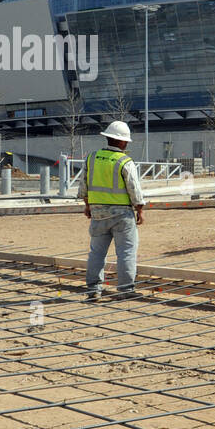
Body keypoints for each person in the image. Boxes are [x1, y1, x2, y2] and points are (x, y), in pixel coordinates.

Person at [80, 121, 145, 301]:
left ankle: (93, 290)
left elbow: (83, 186)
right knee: (126, 252)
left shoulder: (91, 158)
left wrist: (88, 205)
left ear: (108, 138)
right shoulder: (125, 161)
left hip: (98, 213)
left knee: (96, 253)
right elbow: (135, 189)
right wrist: (140, 210)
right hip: (122, 215)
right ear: (123, 142)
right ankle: (125, 290)